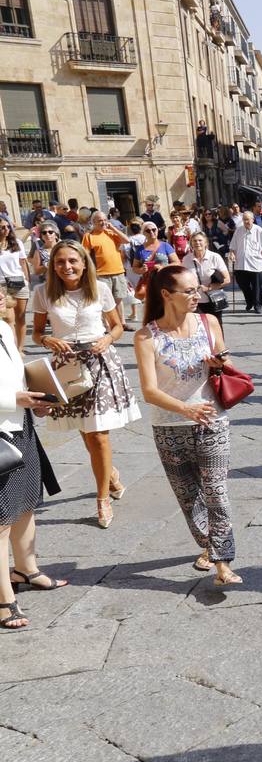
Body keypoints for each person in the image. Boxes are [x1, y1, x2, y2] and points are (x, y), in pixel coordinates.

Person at [133, 265, 241, 587]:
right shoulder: (145, 337)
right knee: (189, 499)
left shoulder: (209, 322)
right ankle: (208, 544)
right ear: (166, 295)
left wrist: (220, 363)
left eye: (198, 289)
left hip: (212, 421)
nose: (197, 295)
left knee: (217, 494)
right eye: (189, 291)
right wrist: (185, 409)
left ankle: (223, 564)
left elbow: (229, 364)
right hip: (169, 428)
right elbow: (150, 391)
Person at [31, 242, 141, 529]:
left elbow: (117, 325)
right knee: (85, 431)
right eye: (60, 262)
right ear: (53, 265)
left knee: (98, 434)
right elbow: (36, 332)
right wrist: (47, 340)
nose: (66, 267)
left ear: (83, 262)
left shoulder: (100, 288)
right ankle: (112, 477)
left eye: (72, 261)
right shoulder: (43, 293)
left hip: (99, 361)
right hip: (67, 367)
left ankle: (102, 498)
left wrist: (107, 338)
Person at [0, 290, 64, 631]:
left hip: (19, 424)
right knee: (0, 520)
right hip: (0, 432)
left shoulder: (5, 328)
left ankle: (27, 568)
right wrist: (15, 399)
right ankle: (3, 599)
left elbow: (14, 375)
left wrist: (35, 395)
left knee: (26, 503)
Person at [82, 212, 132, 324]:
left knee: (119, 299)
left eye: (105, 219)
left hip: (118, 271)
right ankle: (107, 325)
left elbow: (127, 240)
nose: (103, 222)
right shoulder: (89, 236)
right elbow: (85, 255)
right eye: (100, 220)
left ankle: (122, 323)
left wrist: (113, 228)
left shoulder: (111, 233)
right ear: (93, 222)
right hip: (101, 273)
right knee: (104, 300)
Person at [184, 232, 231, 326]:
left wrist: (209, 288)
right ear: (191, 243)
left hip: (213, 300)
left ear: (206, 242)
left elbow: (227, 280)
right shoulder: (186, 259)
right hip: (195, 301)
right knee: (198, 329)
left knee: (215, 328)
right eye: (194, 241)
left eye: (200, 240)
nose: (197, 243)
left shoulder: (215, 257)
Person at [229, 212, 262, 314]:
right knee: (243, 284)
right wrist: (232, 253)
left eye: (248, 219)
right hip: (241, 264)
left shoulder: (259, 230)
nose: (246, 222)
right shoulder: (238, 230)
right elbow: (233, 246)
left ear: (253, 219)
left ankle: (258, 305)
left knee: (257, 286)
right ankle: (249, 301)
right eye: (245, 219)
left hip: (255, 263)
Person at [0, 221, 29, 349]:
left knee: (21, 317)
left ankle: (20, 349)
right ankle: (12, 349)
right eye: (2, 227)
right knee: (9, 319)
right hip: (2, 283)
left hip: (18, 280)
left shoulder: (17, 243)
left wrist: (27, 280)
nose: (6, 229)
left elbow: (23, 262)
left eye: (7, 227)